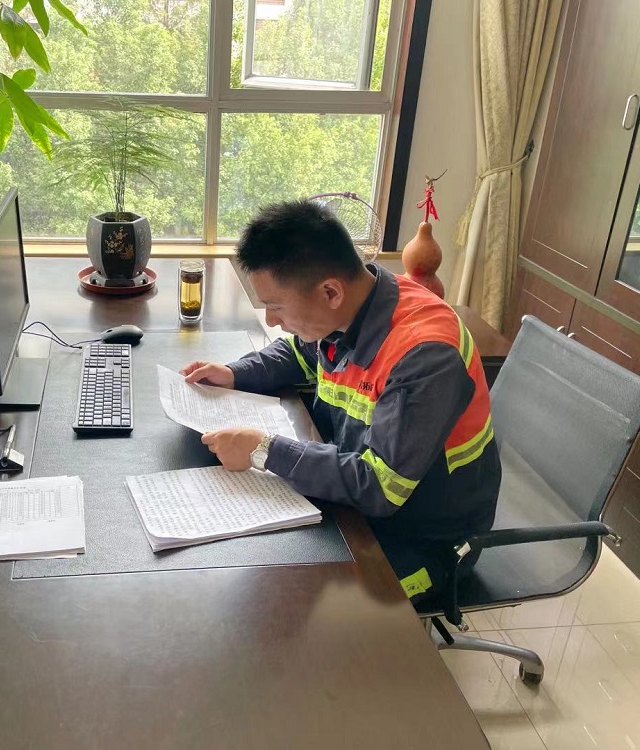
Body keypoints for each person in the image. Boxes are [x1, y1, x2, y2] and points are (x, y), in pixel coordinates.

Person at [181, 200, 501, 603]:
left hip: (423, 541)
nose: (273, 320)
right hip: (355, 511)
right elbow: (299, 353)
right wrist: (234, 373)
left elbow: (380, 487)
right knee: (247, 569)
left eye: (276, 306)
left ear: (330, 291)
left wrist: (265, 449)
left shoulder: (424, 357)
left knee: (300, 604)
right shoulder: (358, 302)